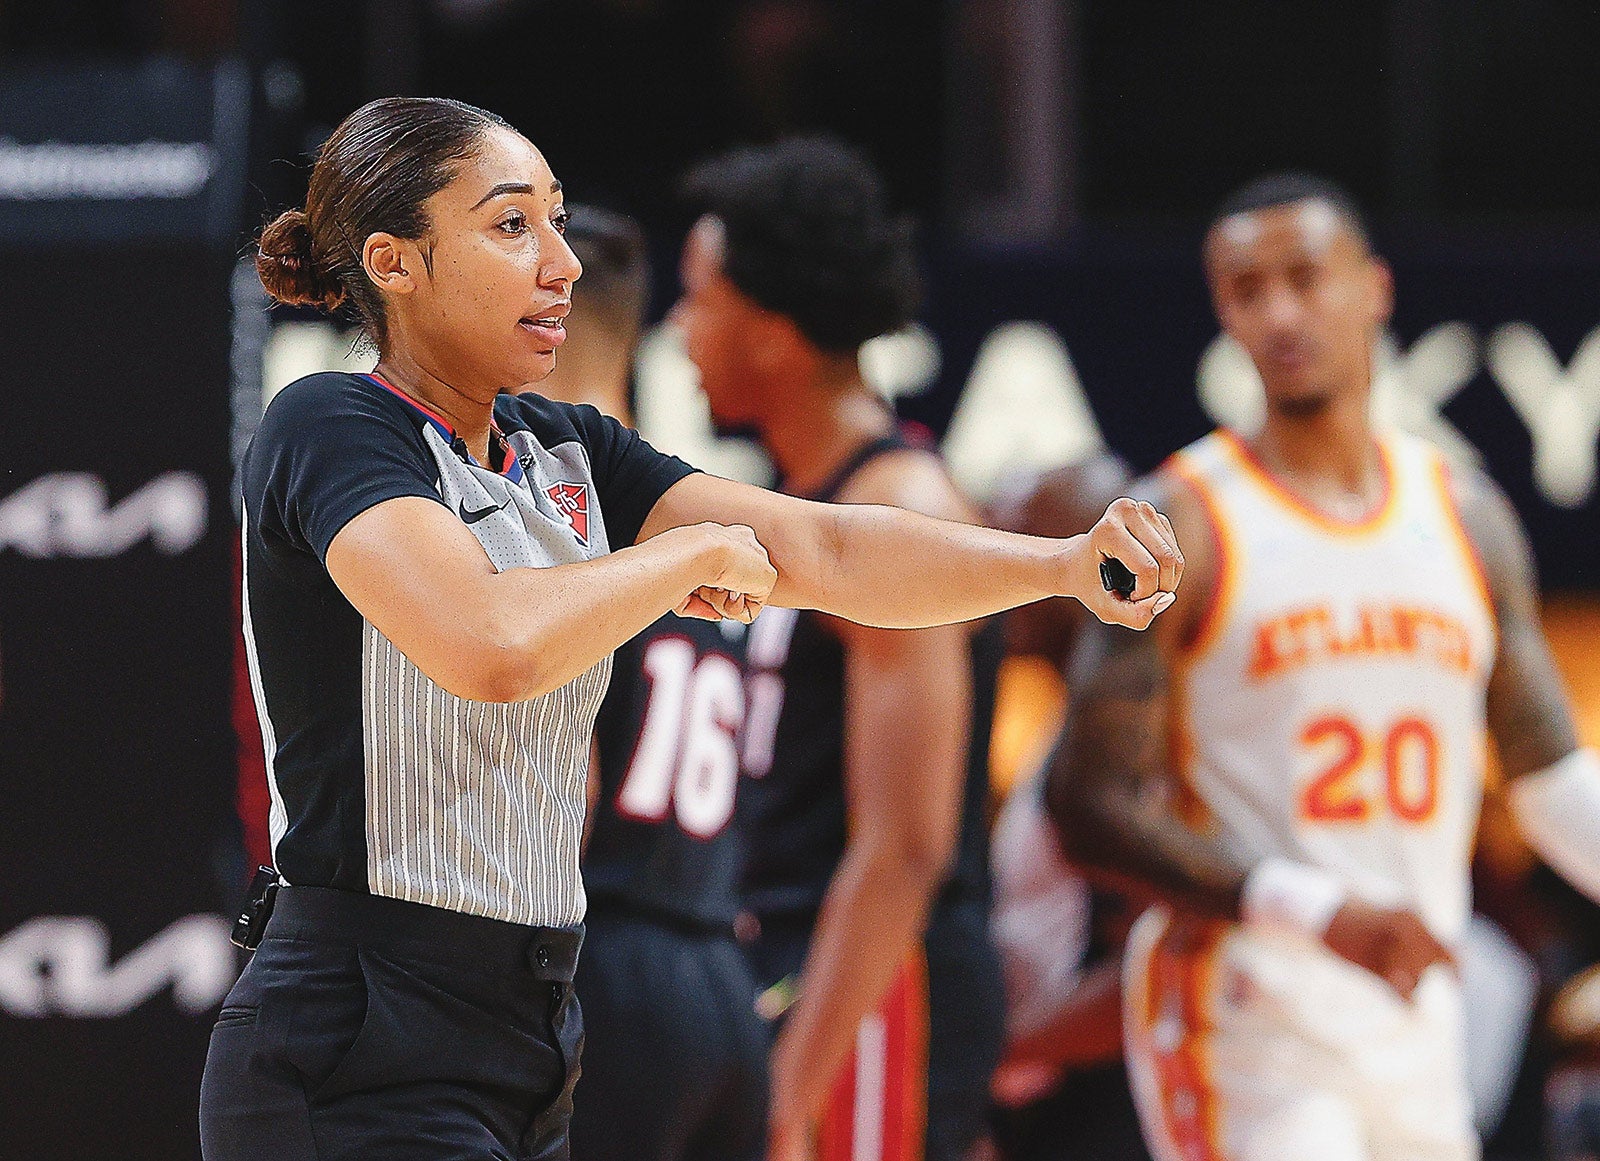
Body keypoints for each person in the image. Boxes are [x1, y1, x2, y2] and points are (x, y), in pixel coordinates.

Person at [198, 97, 1182, 1161]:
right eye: (512, 224)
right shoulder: (332, 426)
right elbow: (488, 648)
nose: (562, 263)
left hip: (534, 1019)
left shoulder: (566, 449)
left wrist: (1063, 566)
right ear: (394, 262)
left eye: (559, 221)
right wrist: (679, 558)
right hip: (361, 1020)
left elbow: (835, 552)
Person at [1048, 172, 1600, 1161]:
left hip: (1411, 1020)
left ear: (1373, 289)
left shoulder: (1465, 517)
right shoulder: (1180, 521)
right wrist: (1312, 911)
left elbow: (1548, 780)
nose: (1277, 313)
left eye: (1304, 278)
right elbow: (1087, 802)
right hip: (1247, 1017)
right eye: (1245, 290)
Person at [671, 136, 1014, 1161]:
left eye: (700, 302)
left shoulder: (896, 505)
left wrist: (794, 1085)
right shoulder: (797, 502)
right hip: (789, 964)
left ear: (773, 335)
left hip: (877, 987)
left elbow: (906, 848)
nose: (680, 332)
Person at [535, 205, 769, 1161]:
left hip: (606, 969)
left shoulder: (544, 510)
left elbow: (564, 784)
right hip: (722, 973)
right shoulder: (698, 509)